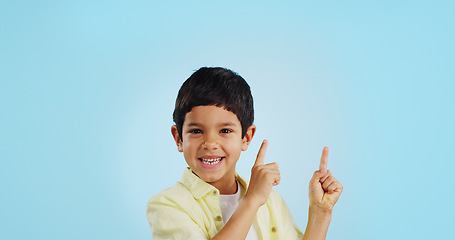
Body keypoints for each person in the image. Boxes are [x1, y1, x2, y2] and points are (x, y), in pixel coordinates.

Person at [146, 67, 343, 240]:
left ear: (246, 138)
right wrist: (252, 200)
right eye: (196, 131)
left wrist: (320, 212)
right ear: (178, 138)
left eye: (225, 131)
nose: (210, 144)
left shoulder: (271, 200)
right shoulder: (166, 205)